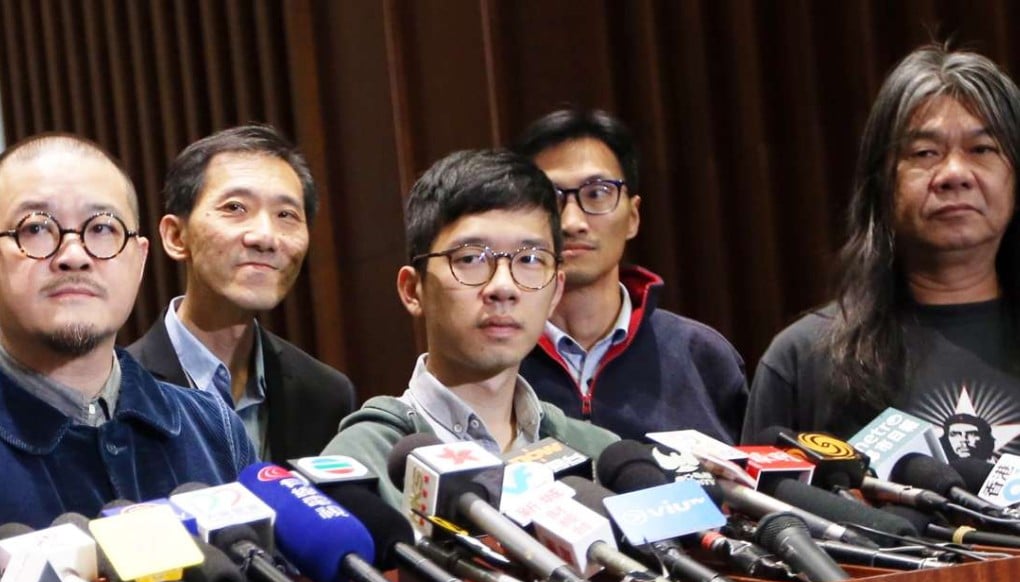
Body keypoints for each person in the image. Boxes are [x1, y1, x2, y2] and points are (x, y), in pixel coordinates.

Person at [742, 45, 1020, 462]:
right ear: (881, 185)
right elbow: (758, 519)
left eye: (982, 149)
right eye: (925, 153)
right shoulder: (803, 359)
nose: (955, 174)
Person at [322, 149, 619, 507]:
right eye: (471, 259)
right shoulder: (364, 463)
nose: (503, 287)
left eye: (529, 260)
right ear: (412, 290)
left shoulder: (599, 454)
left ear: (555, 290)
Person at [0, 133, 254, 527]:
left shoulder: (212, 429)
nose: (73, 256)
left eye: (102, 228)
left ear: (138, 261)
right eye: (35, 229)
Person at [512, 108, 748, 443]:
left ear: (633, 216)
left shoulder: (702, 356)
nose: (572, 222)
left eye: (596, 193)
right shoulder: (495, 359)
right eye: (551, 198)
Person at [128, 124, 356, 462]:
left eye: (286, 215)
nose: (265, 236)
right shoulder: (122, 389)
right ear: (176, 236)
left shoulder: (325, 394)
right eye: (235, 208)